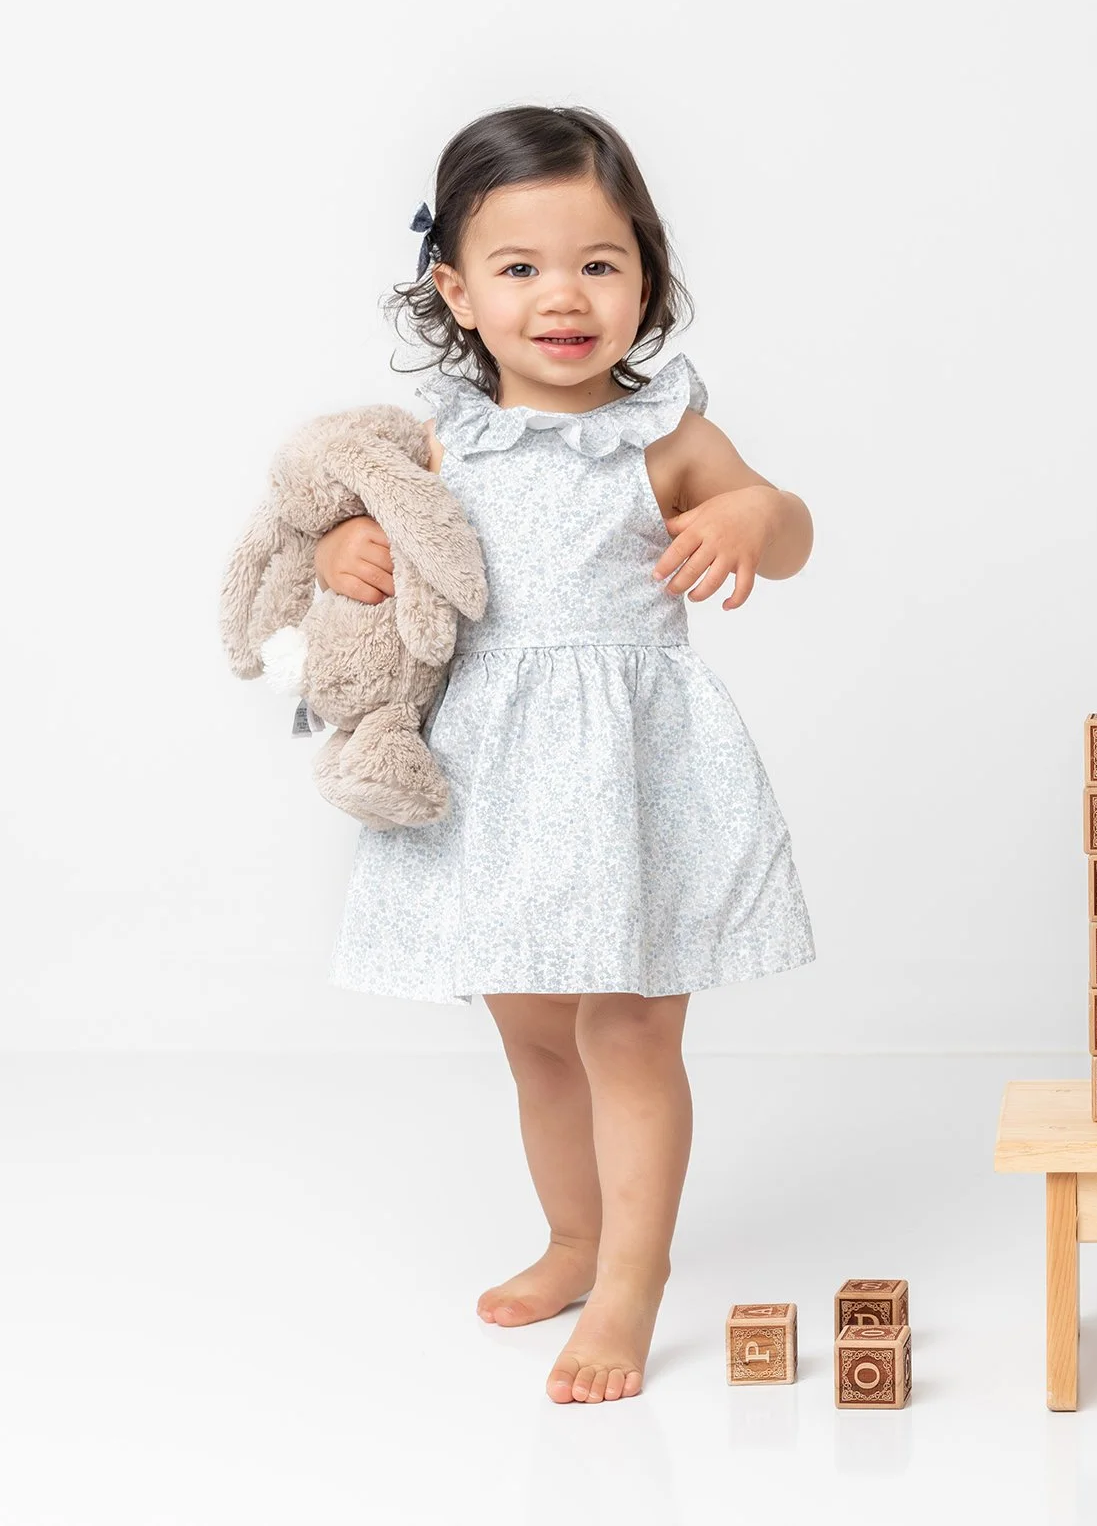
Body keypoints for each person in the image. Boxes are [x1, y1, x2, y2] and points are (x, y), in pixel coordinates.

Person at [322, 104, 817, 1403]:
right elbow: (346, 548)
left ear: (646, 276)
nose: (564, 296)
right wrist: (344, 555)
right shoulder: (436, 443)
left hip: (632, 773)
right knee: (536, 1036)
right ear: (458, 290)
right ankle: (575, 1237)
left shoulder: (664, 438)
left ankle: (634, 1279)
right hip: (490, 775)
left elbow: (793, 530)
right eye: (521, 266)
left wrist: (755, 514)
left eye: (600, 263)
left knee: (632, 1029)